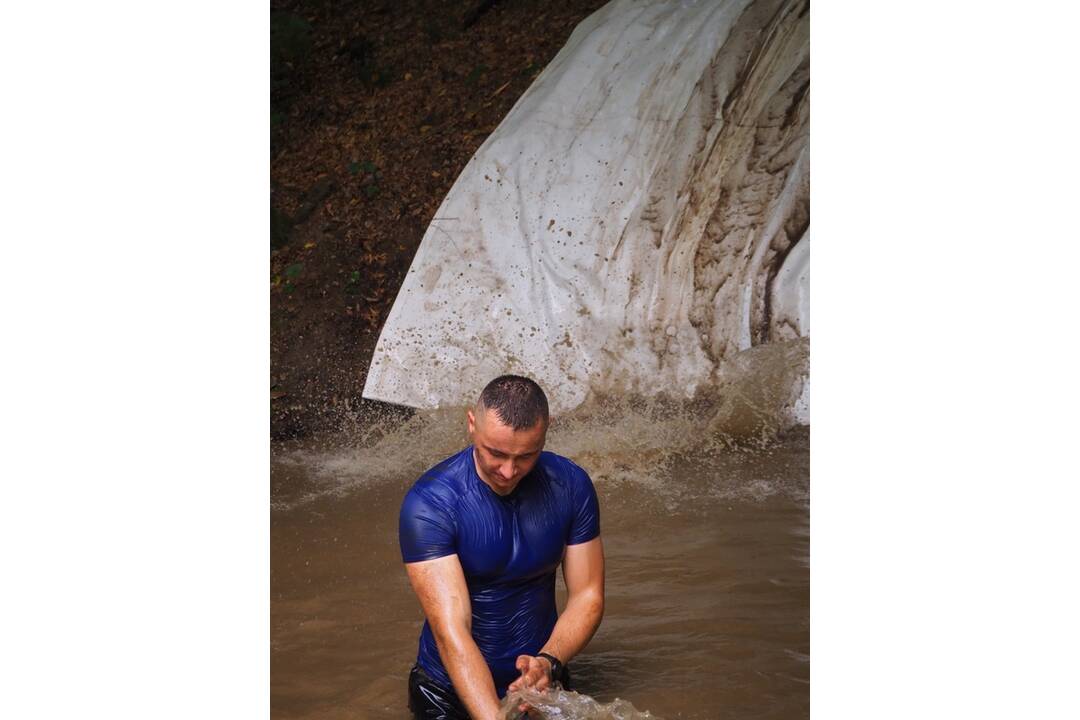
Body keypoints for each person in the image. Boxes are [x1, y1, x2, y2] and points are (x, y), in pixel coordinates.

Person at [399, 375, 605, 720]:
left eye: (526, 456)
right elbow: (452, 631)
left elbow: (588, 596)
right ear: (471, 424)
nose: (509, 471)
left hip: (539, 683)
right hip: (446, 693)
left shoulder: (570, 485)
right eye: (495, 453)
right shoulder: (431, 504)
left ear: (546, 431)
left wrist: (549, 661)